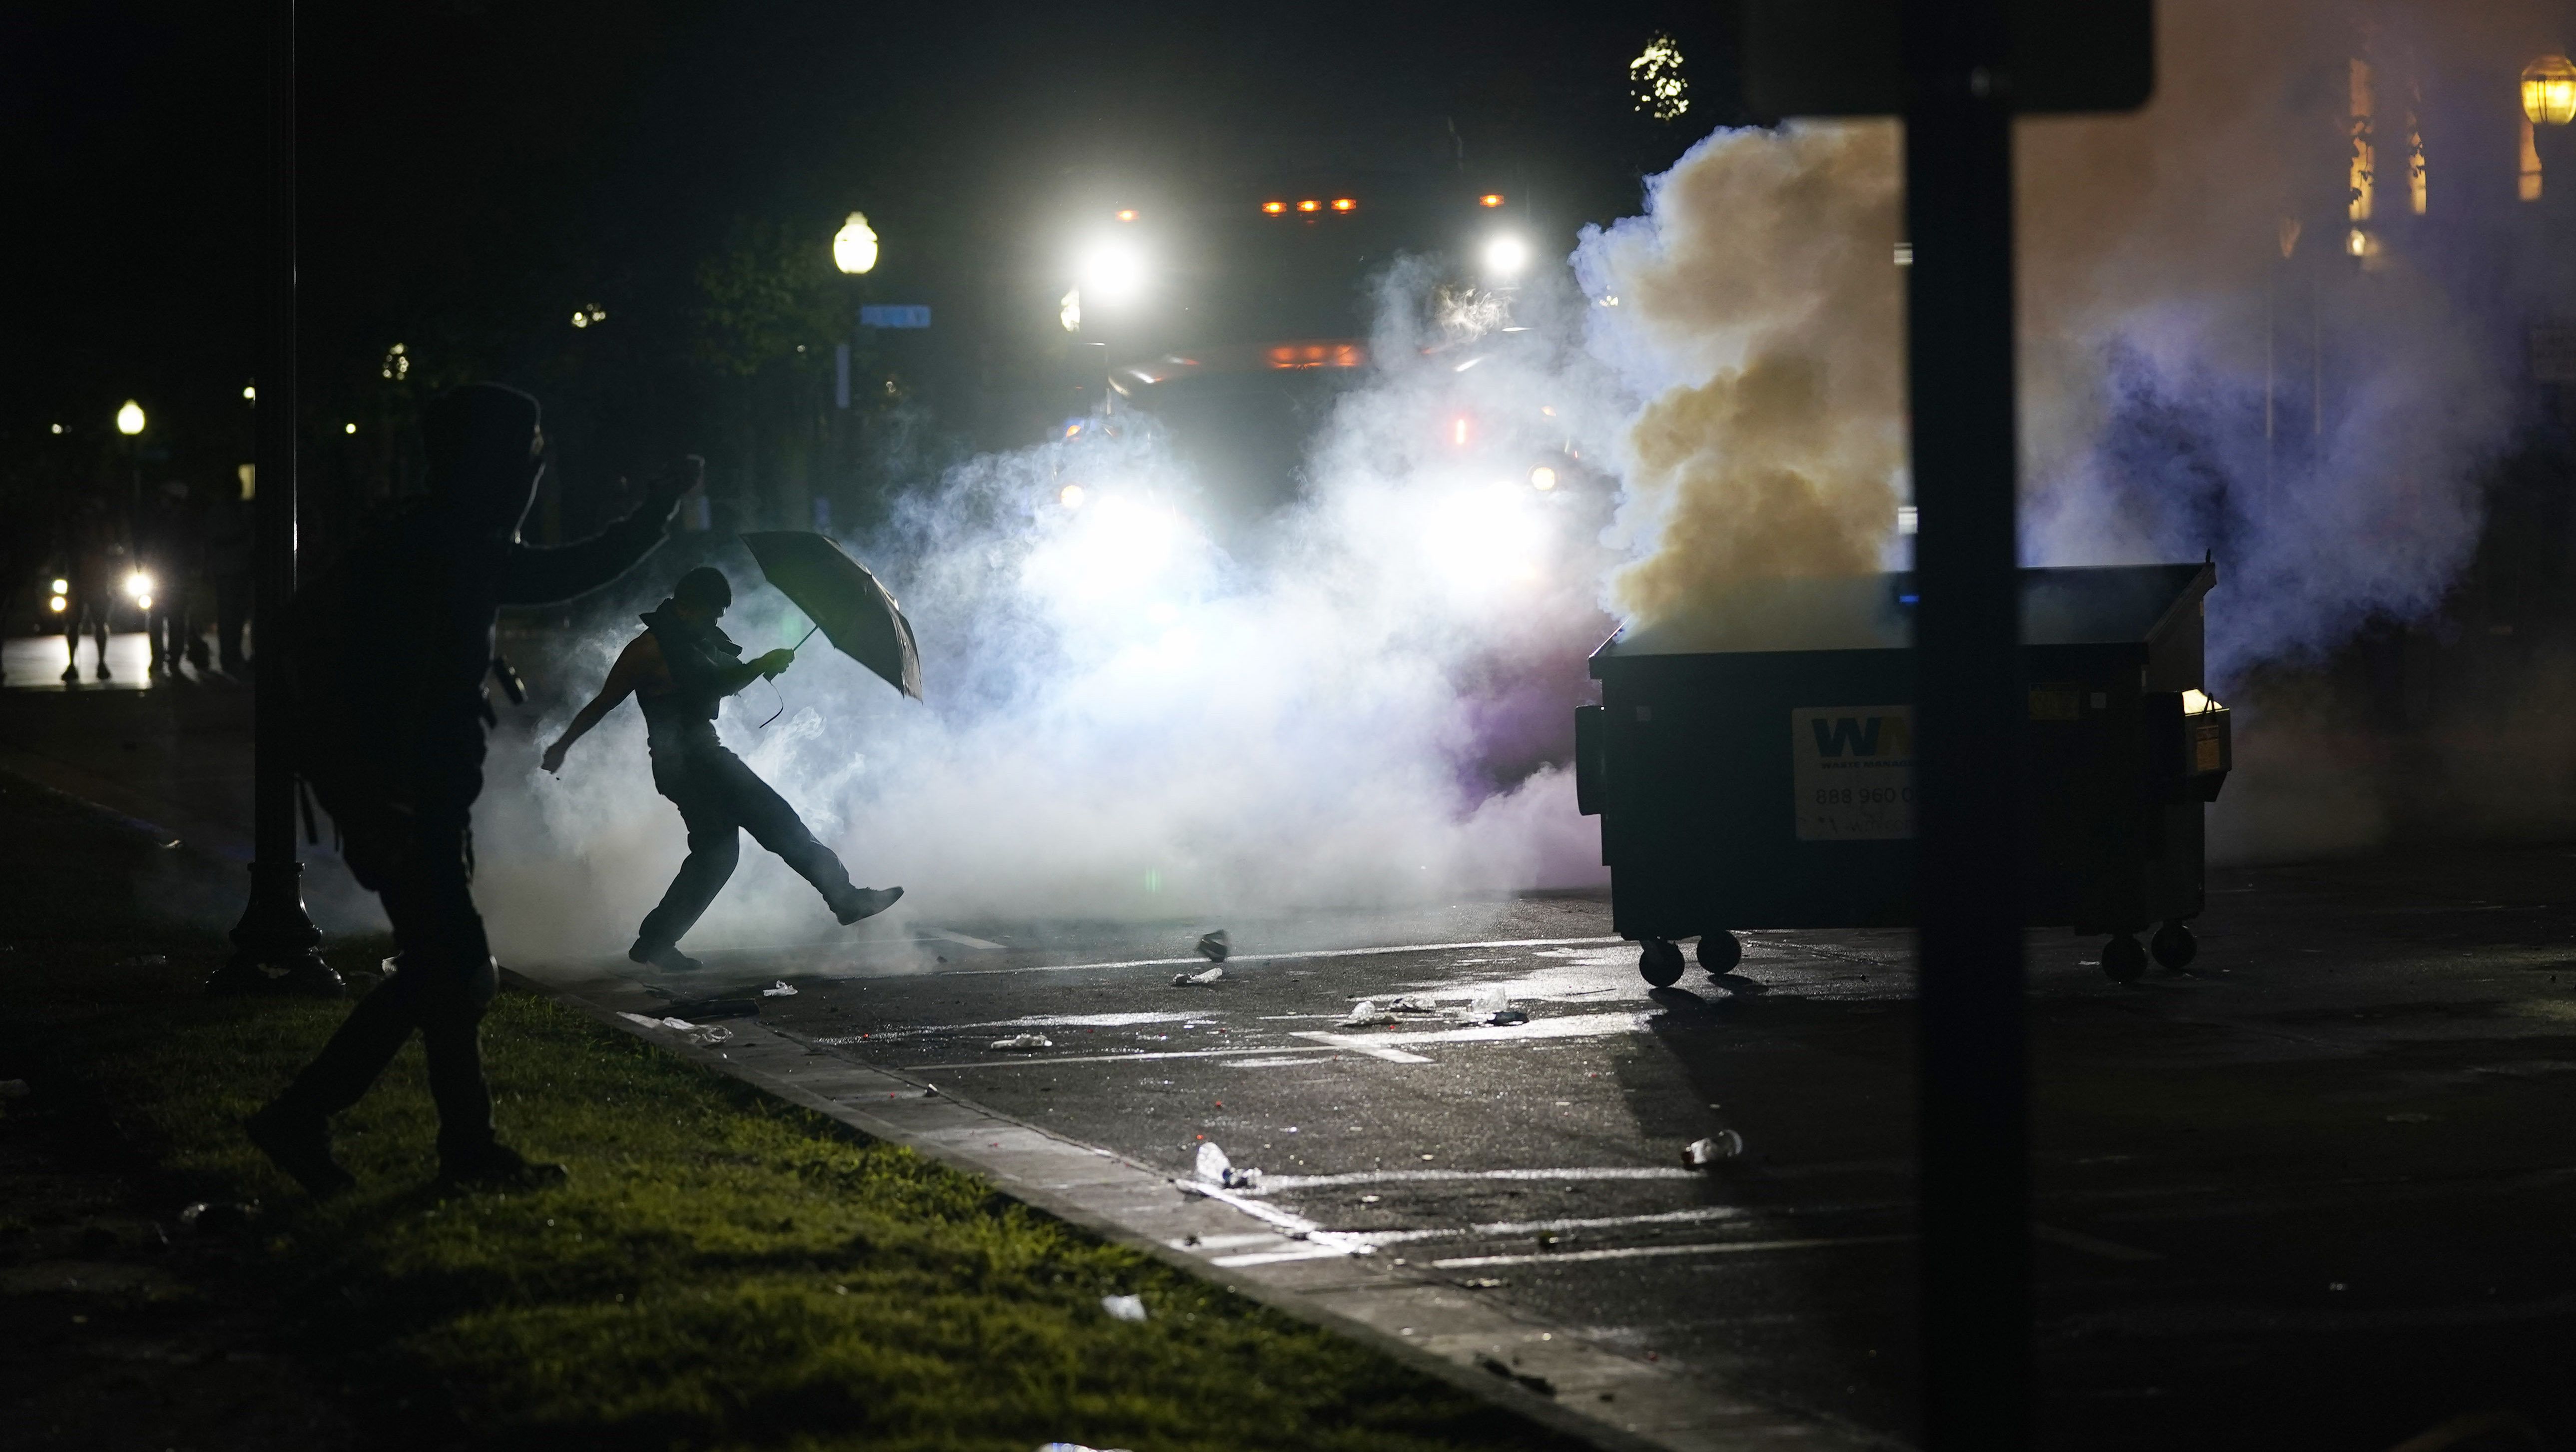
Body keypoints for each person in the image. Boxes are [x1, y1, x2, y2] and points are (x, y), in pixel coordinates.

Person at [246, 382, 695, 1196]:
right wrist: (656, 513)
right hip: (402, 797)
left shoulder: (432, 536)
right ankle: (308, 1115)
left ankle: (462, 1146)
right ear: (491, 462)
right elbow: (569, 570)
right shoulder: (448, 544)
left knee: (445, 970)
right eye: (527, 451)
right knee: (455, 970)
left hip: (414, 795)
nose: (535, 465)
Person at [541, 564, 901, 972]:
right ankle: (845, 898)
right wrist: (563, 744)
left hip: (693, 761)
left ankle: (655, 943)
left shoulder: (693, 641)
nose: (716, 622)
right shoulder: (649, 649)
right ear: (686, 606)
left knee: (716, 855)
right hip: (695, 763)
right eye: (712, 613)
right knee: (779, 822)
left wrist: (765, 665)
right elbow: (608, 701)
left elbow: (724, 676)